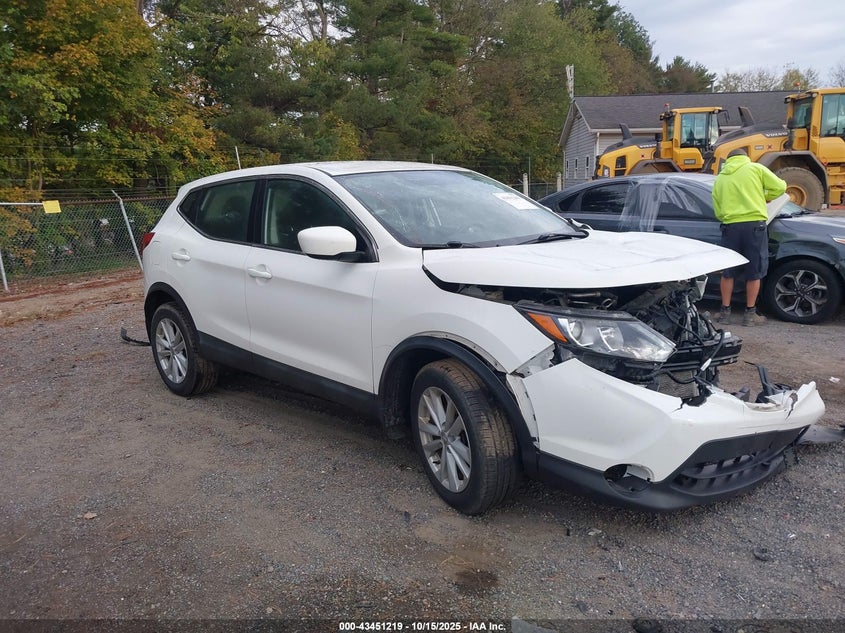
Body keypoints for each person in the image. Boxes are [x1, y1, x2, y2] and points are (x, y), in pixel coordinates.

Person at [711, 148, 786, 326]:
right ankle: (750, 315)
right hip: (754, 227)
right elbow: (781, 187)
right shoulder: (755, 169)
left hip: (730, 227)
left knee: (728, 271)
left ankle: (725, 313)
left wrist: (728, 218)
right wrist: (765, 196)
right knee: (754, 271)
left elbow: (718, 208)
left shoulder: (721, 178)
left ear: (728, 160)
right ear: (746, 158)